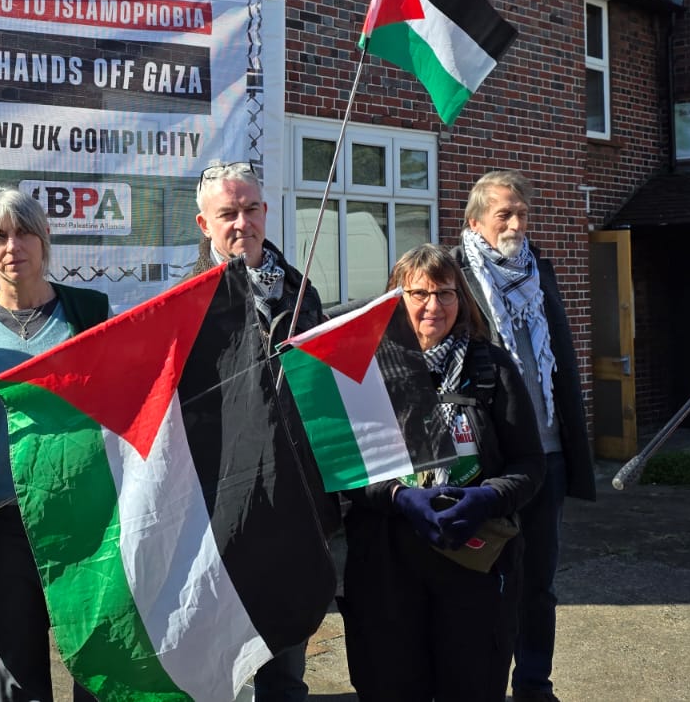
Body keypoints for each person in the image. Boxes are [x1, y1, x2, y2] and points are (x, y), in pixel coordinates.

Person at [339, 244, 545, 701]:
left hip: (475, 560)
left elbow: (530, 463)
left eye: (446, 293)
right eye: (419, 293)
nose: (434, 306)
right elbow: (343, 467)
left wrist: (489, 497)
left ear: (461, 298)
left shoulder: (490, 366)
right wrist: (395, 497)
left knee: (472, 684)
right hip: (386, 567)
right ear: (395, 297)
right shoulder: (363, 369)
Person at [0, 186, 111, 702]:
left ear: (46, 237)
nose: (14, 246)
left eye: (25, 231)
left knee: (101, 659)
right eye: (0, 236)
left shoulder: (89, 313)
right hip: (1, 527)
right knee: (16, 674)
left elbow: (121, 408)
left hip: (88, 522)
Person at [189, 160, 330, 702]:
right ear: (205, 224)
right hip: (222, 504)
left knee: (285, 657)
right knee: (221, 661)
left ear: (266, 213)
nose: (241, 222)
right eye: (227, 213)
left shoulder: (299, 292)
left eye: (250, 209)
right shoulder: (187, 302)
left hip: (292, 497)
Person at [454, 169, 597, 702]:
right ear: (475, 222)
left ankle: (534, 685)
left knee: (538, 584)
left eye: (522, 214)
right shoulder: (456, 274)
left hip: (549, 454)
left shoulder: (542, 272)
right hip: (487, 457)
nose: (516, 224)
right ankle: (477, 682)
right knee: (478, 579)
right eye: (504, 215)